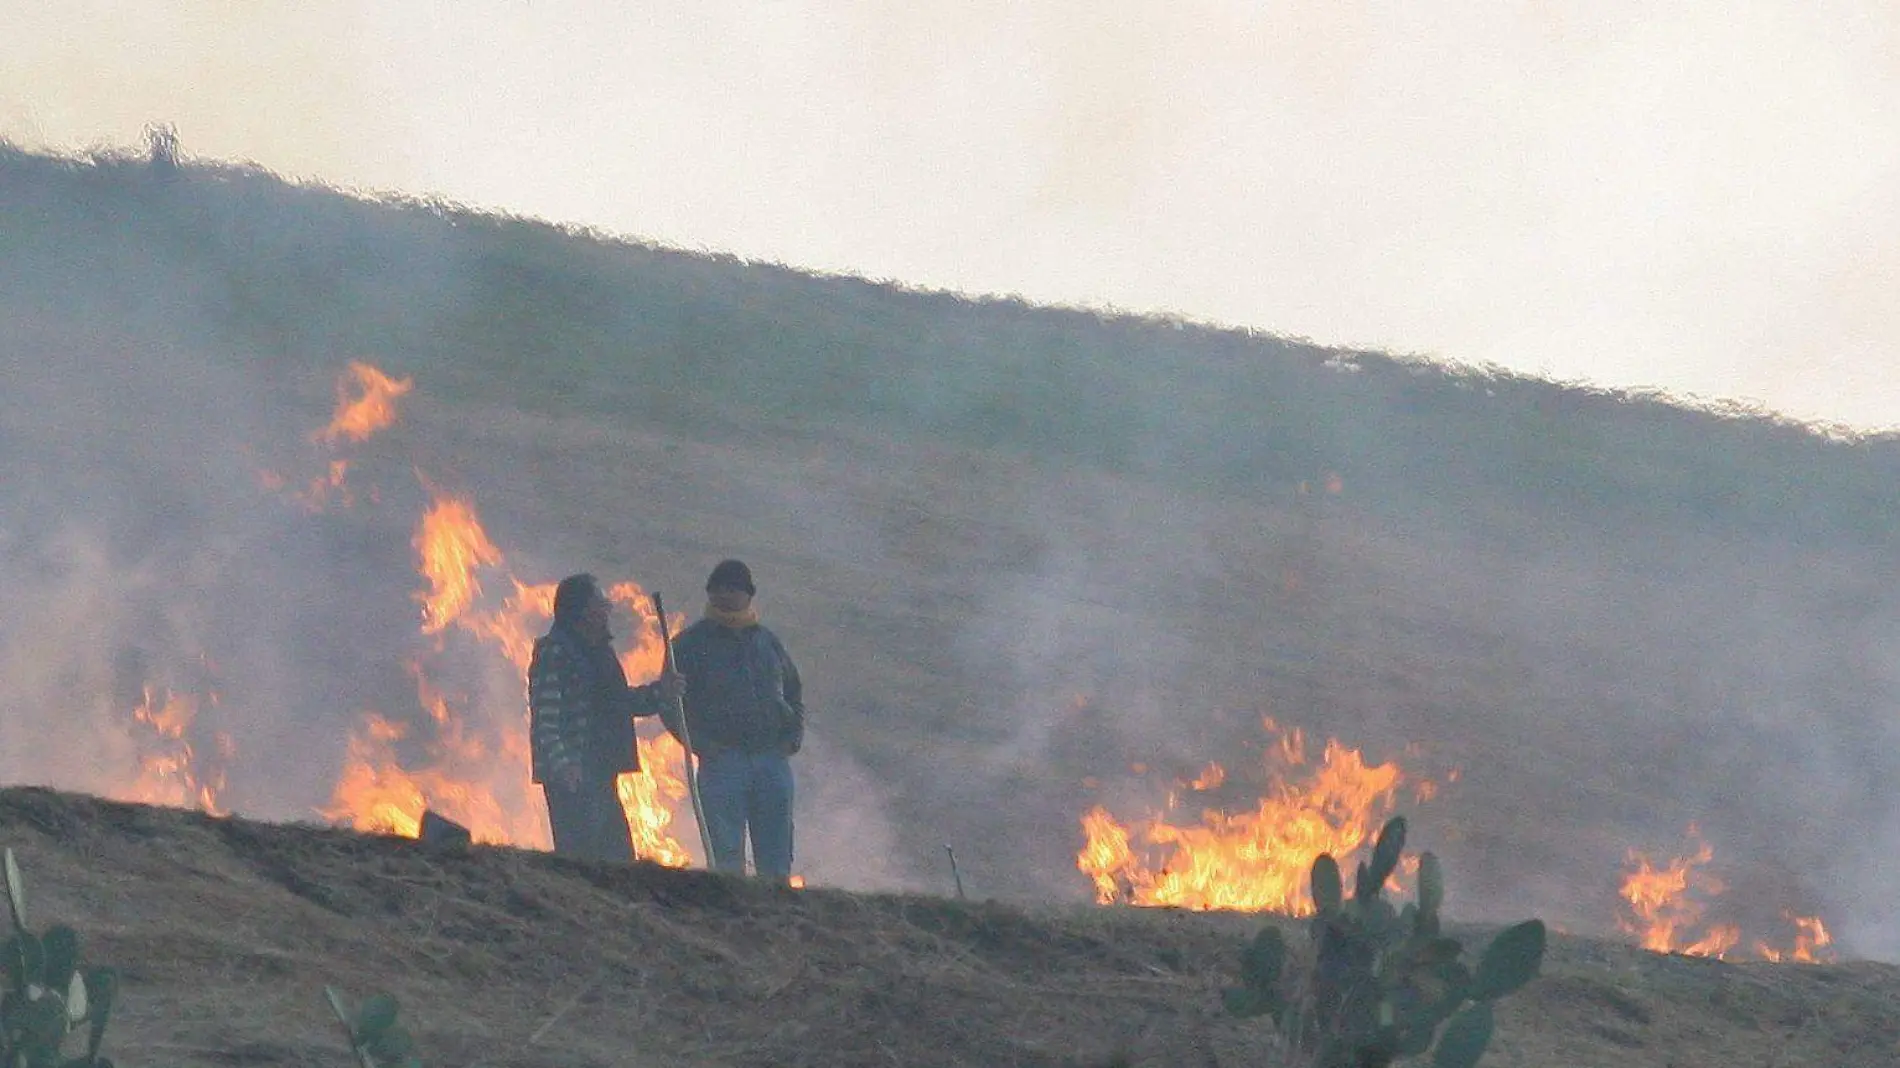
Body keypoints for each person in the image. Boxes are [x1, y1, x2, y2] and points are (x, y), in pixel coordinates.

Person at [665, 559, 805, 881]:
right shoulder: (689, 644)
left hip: (771, 759)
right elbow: (670, 702)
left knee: (776, 853)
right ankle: (732, 916)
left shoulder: (768, 642)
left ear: (748, 595)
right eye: (718, 588)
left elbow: (794, 690)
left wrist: (793, 736)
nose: (725, 595)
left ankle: (775, 916)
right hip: (722, 761)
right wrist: (700, 745)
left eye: (733, 589)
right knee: (726, 855)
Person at [528, 573, 683, 862]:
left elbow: (619, 702)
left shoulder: (600, 652)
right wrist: (565, 766)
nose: (607, 609)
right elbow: (545, 720)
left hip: (600, 769)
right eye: (600, 602)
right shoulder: (555, 652)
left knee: (617, 856)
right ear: (583, 611)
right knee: (582, 860)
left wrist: (661, 694)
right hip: (573, 777)